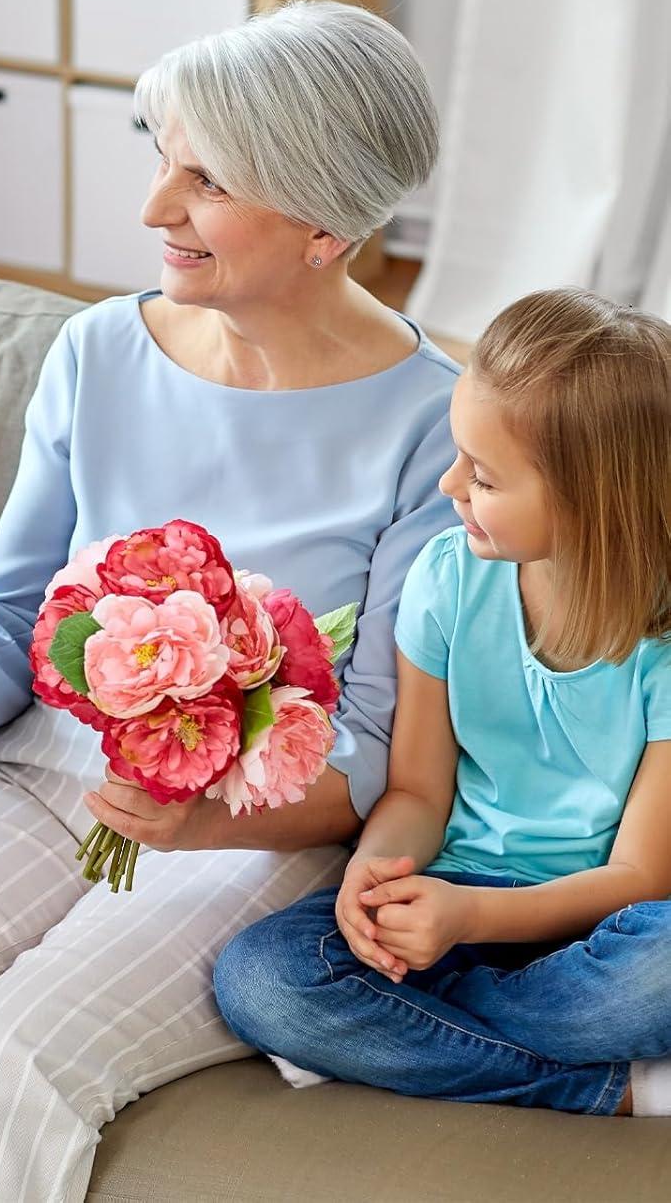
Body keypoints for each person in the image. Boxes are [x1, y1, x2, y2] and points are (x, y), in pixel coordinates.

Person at [0, 0, 462, 1200]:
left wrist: (201, 824)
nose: (153, 208)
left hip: (246, 838)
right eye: (159, 158)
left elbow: (380, 749)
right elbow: (17, 611)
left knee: (2, 1072)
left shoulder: (433, 426)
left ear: (326, 217)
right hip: (37, 776)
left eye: (205, 179)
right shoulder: (99, 353)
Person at [214, 288, 671, 1118]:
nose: (449, 482)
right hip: (456, 886)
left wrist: (470, 918)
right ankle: (614, 1088)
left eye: (484, 475)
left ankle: (407, 1042)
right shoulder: (447, 576)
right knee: (264, 978)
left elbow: (641, 877)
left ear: (593, 502)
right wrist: (370, 880)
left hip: (607, 921)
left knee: (661, 970)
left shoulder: (662, 641)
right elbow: (420, 791)